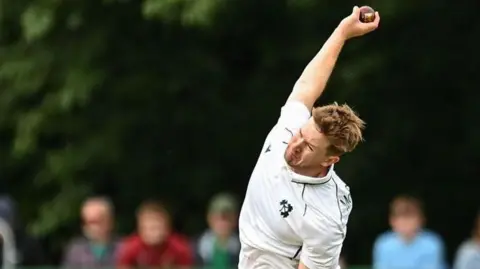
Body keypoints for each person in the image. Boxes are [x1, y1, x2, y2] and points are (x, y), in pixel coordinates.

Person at [238, 6, 379, 269]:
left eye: (309, 147)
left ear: (331, 159)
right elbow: (307, 86)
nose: (294, 145)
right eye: (302, 134)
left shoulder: (326, 214)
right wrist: (342, 32)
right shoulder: (291, 128)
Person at [373, 195, 446, 269]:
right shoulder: (383, 244)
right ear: (392, 221)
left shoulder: (432, 244)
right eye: (401, 219)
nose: (406, 224)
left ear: (421, 220)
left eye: (411, 218)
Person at [116, 200, 193, 268]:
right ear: (140, 228)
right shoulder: (130, 248)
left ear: (167, 228)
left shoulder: (179, 248)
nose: (153, 232)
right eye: (149, 227)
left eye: (157, 226)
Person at [62, 196, 120, 267]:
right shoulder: (75, 251)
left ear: (110, 221)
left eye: (97, 222)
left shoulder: (124, 248)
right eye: (88, 222)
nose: (92, 227)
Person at [195, 193, 240, 268]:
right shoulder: (195, 247)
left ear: (235, 219)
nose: (223, 223)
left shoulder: (244, 247)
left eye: (227, 218)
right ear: (209, 218)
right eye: (218, 217)